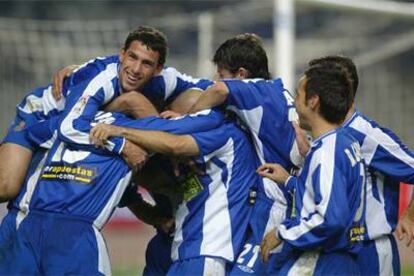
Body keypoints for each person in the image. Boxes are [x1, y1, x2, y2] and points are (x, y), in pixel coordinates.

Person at [0, 93, 225, 274]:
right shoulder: (145, 135)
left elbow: (27, 132)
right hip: (62, 230)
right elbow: (132, 100)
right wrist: (122, 142)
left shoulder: (68, 123)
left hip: (29, 223)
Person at [0, 26, 206, 202]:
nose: (135, 69)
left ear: (159, 68)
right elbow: (68, 126)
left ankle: (173, 179)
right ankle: (174, 158)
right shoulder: (101, 77)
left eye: (146, 63)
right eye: (132, 57)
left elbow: (211, 88)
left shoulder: (166, 79)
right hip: (41, 118)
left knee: (190, 99)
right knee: (7, 188)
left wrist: (183, 120)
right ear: (121, 54)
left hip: (92, 119)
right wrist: (124, 145)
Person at [89, 106, 262, 276]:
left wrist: (120, 132)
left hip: (203, 251)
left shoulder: (225, 135)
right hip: (180, 248)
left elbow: (175, 144)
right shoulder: (186, 160)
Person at [189, 34, 301, 274]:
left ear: (241, 75)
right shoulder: (277, 92)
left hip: (277, 206)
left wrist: (189, 118)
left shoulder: (256, 91)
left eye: (221, 72)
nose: (215, 79)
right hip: (277, 201)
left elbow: (218, 91)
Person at [306, 56, 414, 275]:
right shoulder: (324, 137)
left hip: (371, 250)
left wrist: (409, 215)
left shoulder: (366, 135)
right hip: (338, 251)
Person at [259, 62, 365, 275]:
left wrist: (281, 233)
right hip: (344, 261)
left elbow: (329, 219)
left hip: (322, 262)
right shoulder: (346, 141)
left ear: (313, 101)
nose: (295, 102)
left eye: (298, 95)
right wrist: (289, 181)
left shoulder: (326, 152)